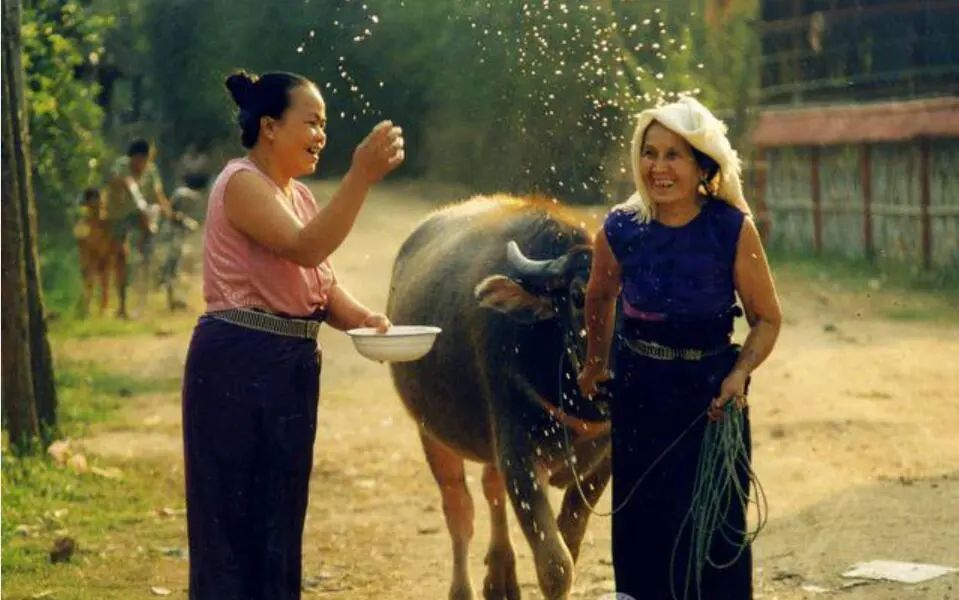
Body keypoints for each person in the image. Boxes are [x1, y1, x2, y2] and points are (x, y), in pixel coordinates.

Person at [181, 70, 404, 599]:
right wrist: (360, 177)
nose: (322, 134)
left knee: (279, 516)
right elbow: (305, 249)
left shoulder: (298, 197)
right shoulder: (240, 183)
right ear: (270, 127)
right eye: (312, 122)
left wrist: (367, 320)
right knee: (230, 521)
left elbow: (320, 288)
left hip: (290, 365)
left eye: (324, 124)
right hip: (236, 361)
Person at [577, 97, 782, 599]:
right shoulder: (621, 228)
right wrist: (595, 363)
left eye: (674, 155)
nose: (658, 167)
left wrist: (738, 376)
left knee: (714, 527)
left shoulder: (732, 229)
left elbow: (767, 319)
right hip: (641, 391)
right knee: (644, 524)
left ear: (702, 165)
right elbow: (600, 294)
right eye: (650, 153)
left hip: (711, 397)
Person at [102, 138, 170, 318]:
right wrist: (139, 202)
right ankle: (122, 306)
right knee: (120, 257)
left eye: (145, 160)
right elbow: (124, 183)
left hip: (138, 215)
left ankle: (146, 259)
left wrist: (169, 212)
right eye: (139, 160)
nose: (141, 164)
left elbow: (157, 194)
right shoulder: (121, 166)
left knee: (150, 232)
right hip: (117, 216)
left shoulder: (151, 170)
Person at [157, 174, 204, 311]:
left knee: (177, 271)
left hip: (177, 241)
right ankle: (172, 302)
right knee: (172, 271)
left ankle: (176, 301)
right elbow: (175, 215)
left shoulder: (183, 195)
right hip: (172, 241)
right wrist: (187, 223)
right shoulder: (184, 196)